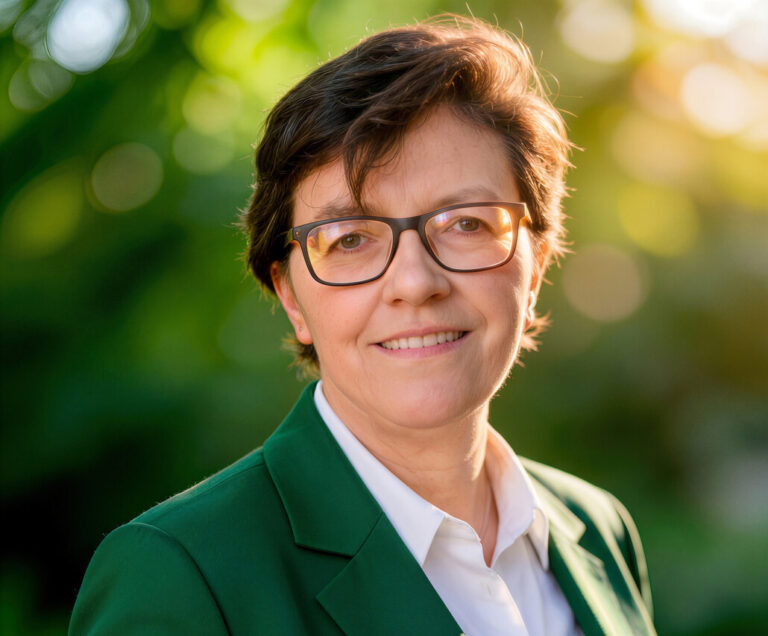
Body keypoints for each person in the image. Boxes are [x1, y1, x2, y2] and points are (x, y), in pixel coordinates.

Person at [70, 16, 655, 636]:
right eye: (349, 238)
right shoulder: (179, 574)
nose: (415, 283)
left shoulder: (598, 530)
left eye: (466, 224)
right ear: (291, 297)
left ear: (534, 265)